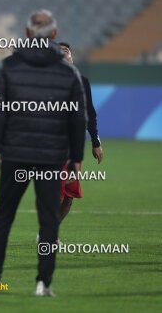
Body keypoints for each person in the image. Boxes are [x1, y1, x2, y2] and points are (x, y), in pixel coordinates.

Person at [0, 10, 86, 296]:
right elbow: (77, 118)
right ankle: (43, 283)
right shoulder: (68, 72)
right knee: (49, 220)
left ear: (27, 34)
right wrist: (76, 156)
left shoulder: (9, 66)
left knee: (4, 215)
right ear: (54, 35)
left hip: (15, 154)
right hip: (51, 157)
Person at [57, 42, 103, 222]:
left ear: (72, 58)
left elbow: (89, 113)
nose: (63, 54)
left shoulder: (83, 82)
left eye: (66, 51)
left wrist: (96, 142)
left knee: (69, 196)